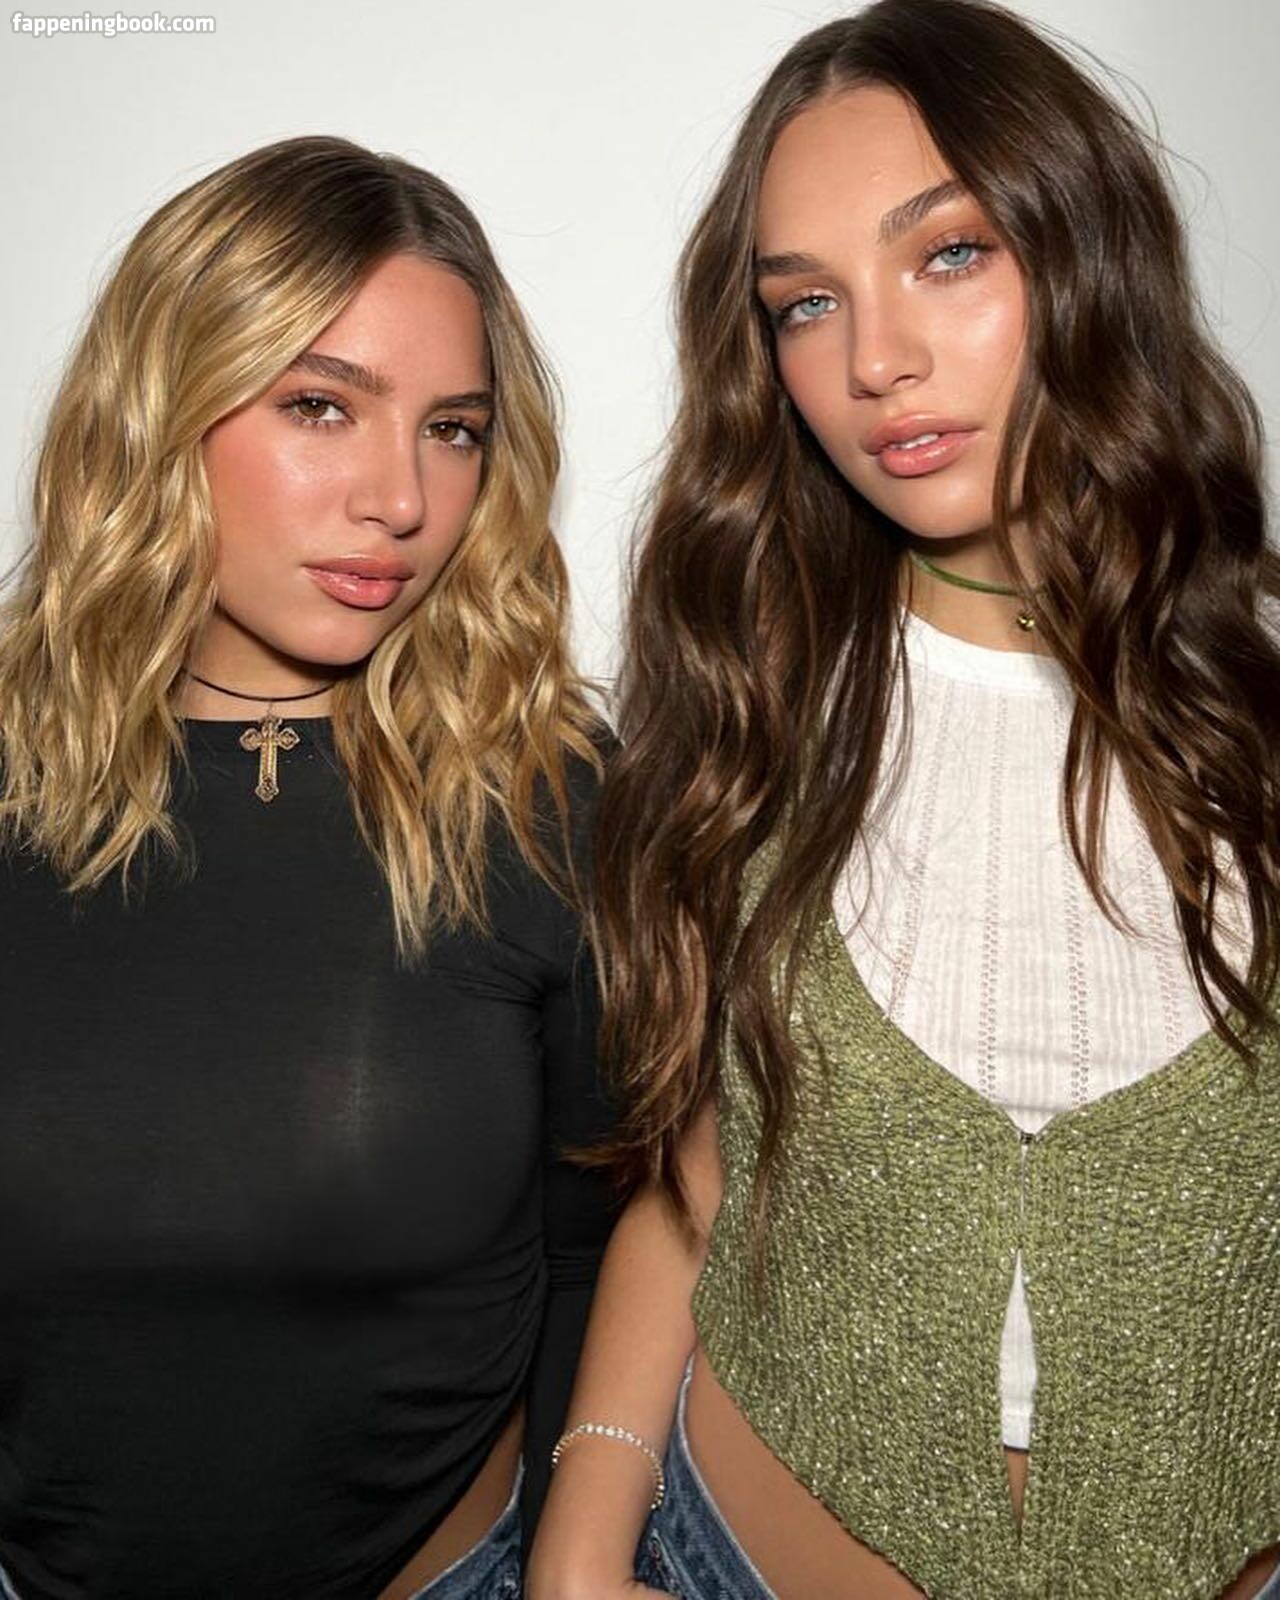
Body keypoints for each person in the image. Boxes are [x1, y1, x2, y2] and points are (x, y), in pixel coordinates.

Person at [527, 2, 1280, 1597]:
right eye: (807, 304)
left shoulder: (1261, 721)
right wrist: (580, 1546)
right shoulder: (746, 714)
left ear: (1087, 255)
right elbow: (698, 1187)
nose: (875, 361)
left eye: (948, 255)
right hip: (728, 1555)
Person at [0, 135, 614, 1599]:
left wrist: (565, 1556)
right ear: (163, 410)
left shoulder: (548, 802)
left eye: (453, 429)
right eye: (322, 406)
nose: (400, 498)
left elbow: (603, 1251)